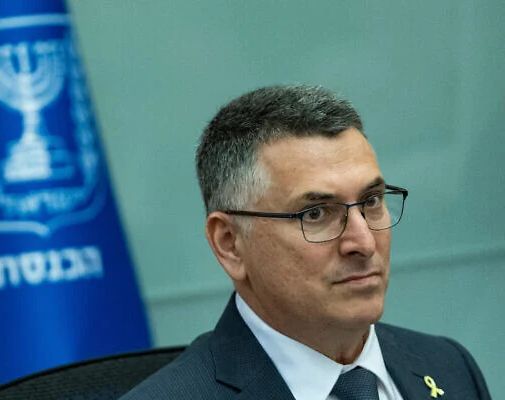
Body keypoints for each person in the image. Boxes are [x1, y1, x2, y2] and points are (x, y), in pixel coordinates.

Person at [120, 85, 491, 399]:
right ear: (230, 243)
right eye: (315, 214)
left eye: (371, 202)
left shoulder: (450, 367)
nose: (363, 243)